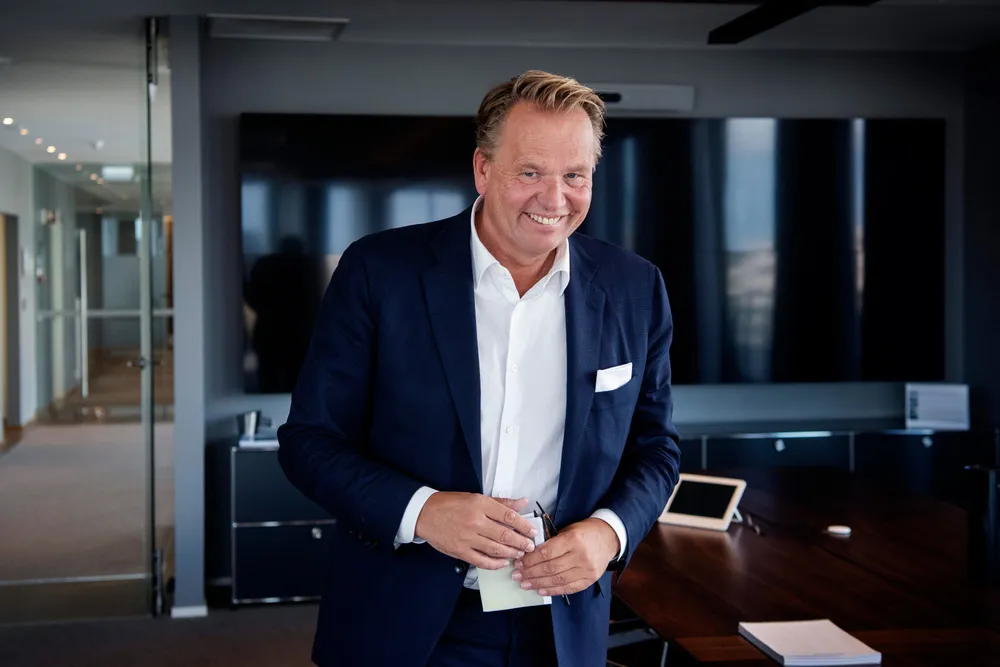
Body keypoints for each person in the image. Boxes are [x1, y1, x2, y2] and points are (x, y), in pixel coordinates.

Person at [277, 69, 681, 667]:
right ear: (483, 170)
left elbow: (657, 448)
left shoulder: (635, 287)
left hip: (562, 626)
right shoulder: (378, 271)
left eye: (575, 175)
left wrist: (609, 533)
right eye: (530, 173)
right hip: (403, 620)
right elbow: (308, 442)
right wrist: (423, 511)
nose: (555, 199)